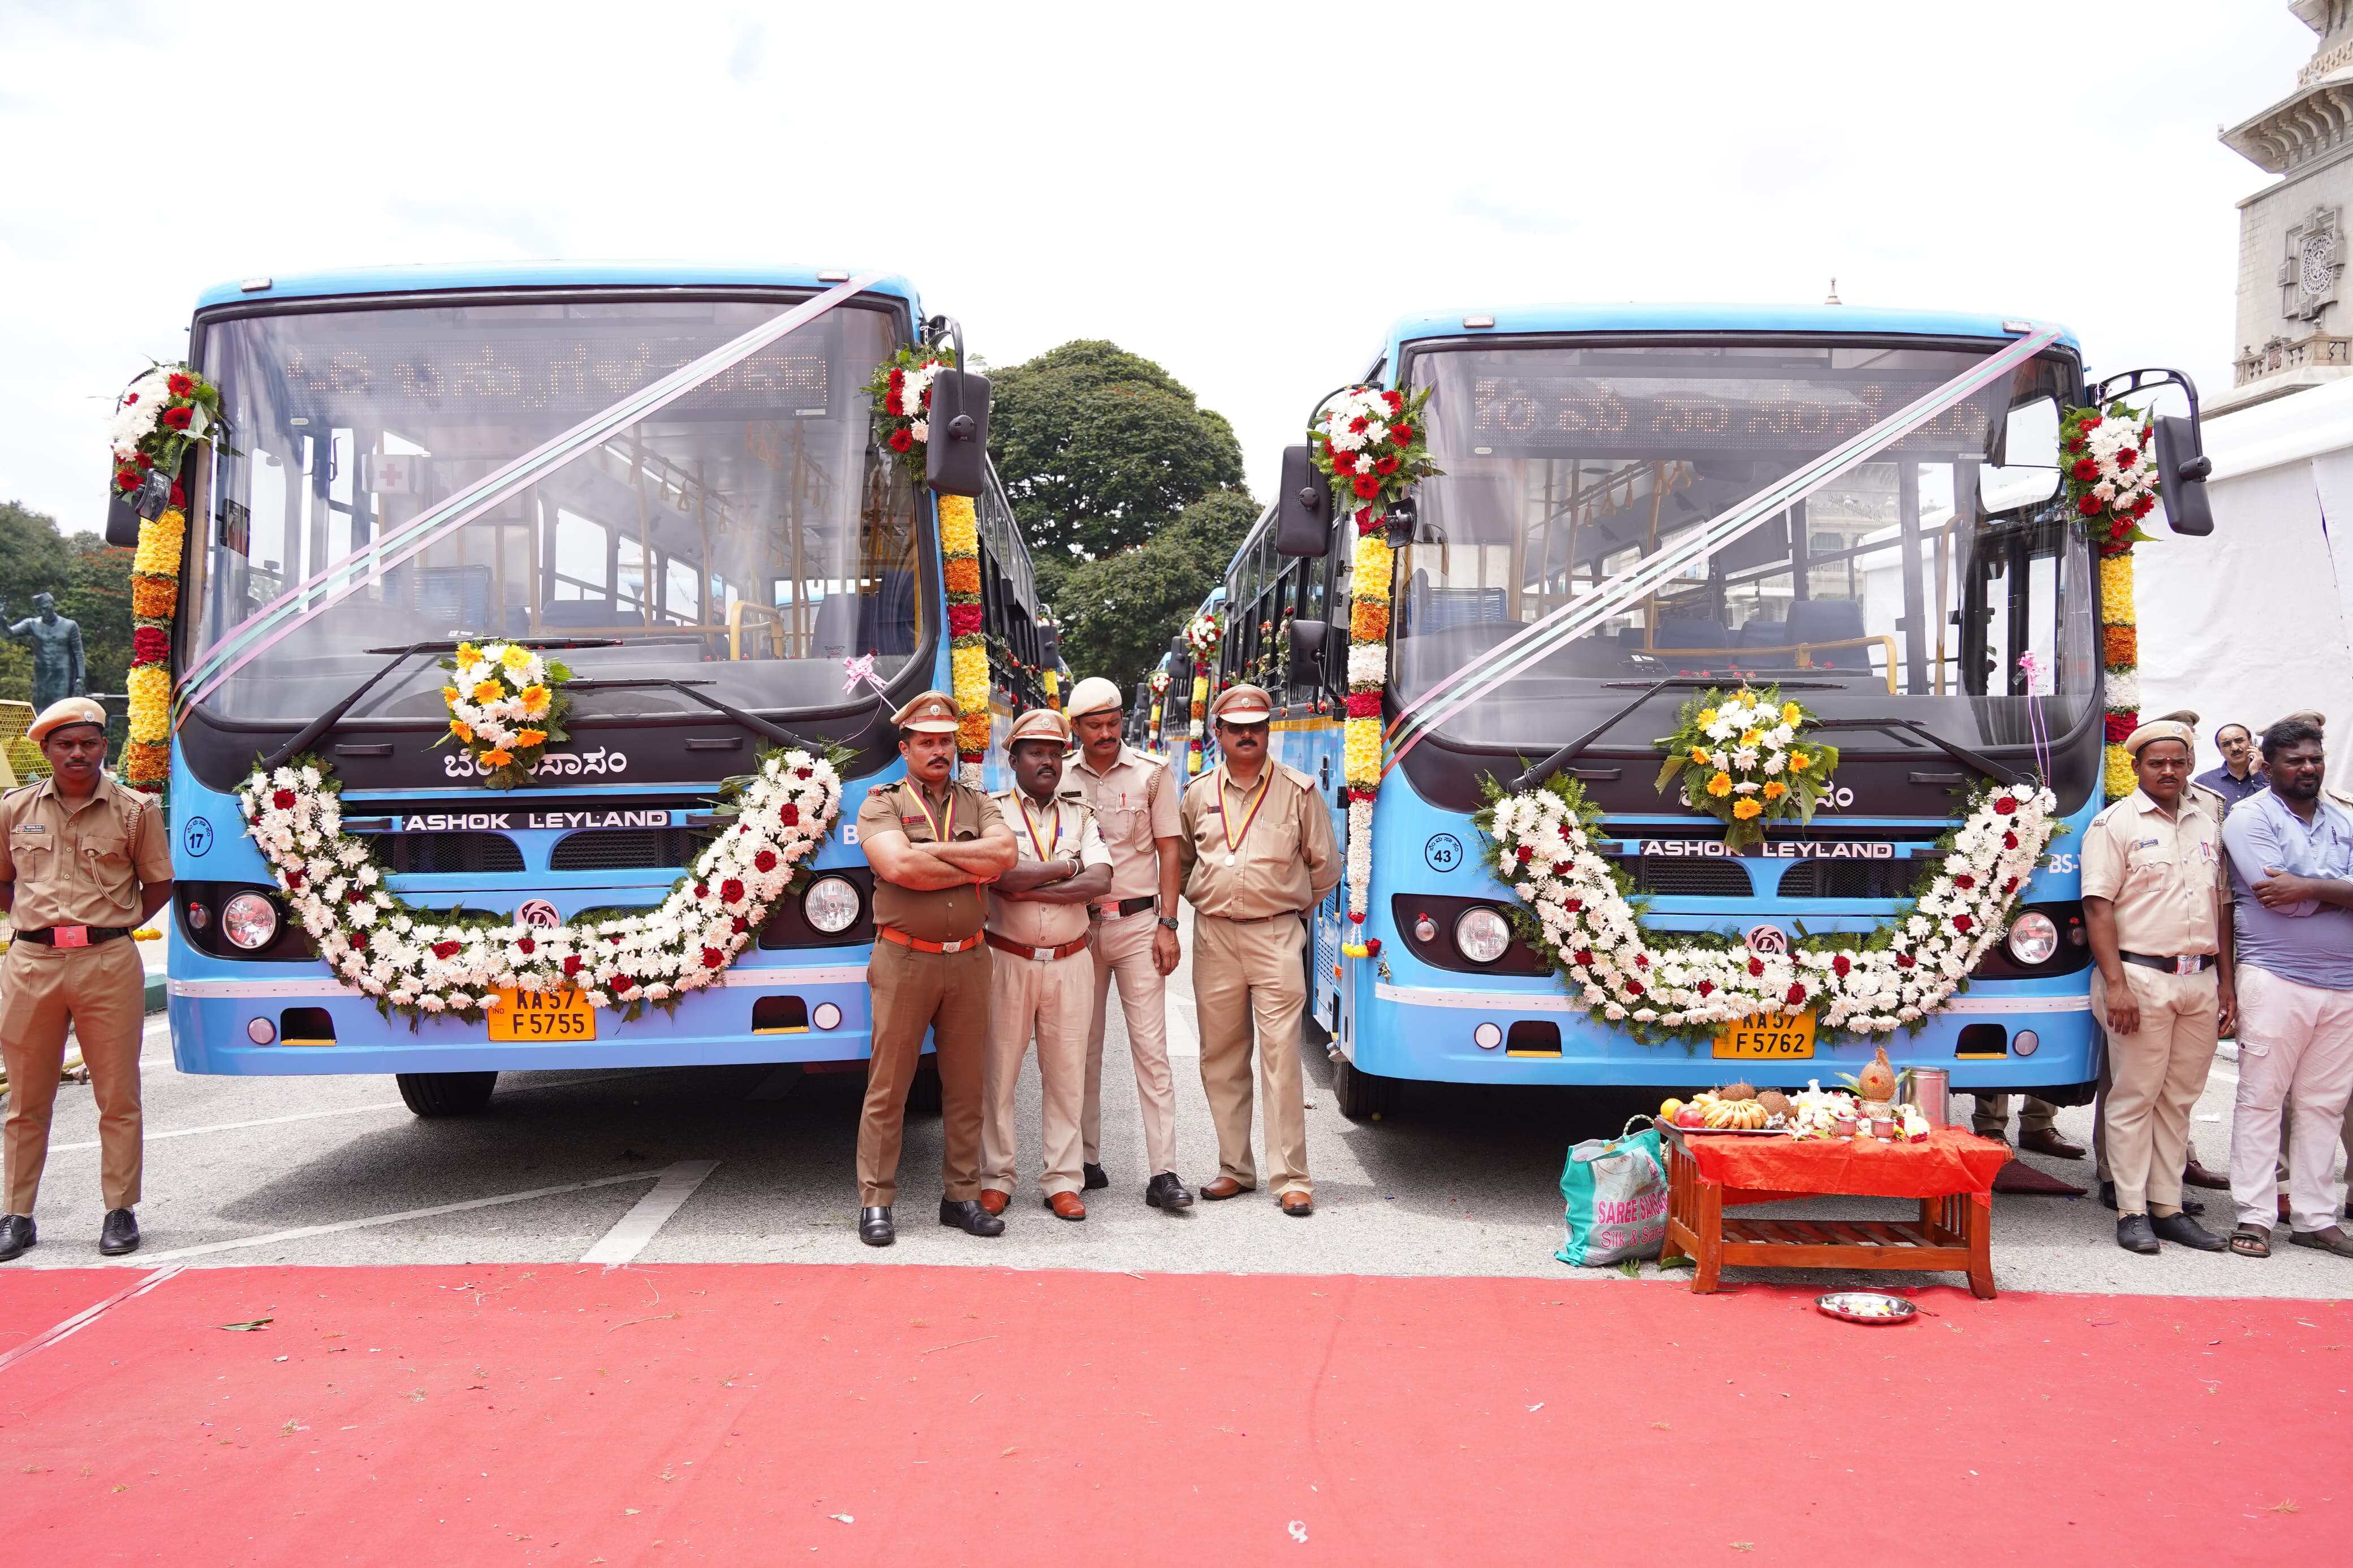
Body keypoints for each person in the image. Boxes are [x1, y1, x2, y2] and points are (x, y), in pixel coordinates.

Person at [0, 697, 174, 1263]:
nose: (77, 753)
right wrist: (38, 926)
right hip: (32, 963)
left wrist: (113, 925)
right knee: (26, 1098)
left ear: (104, 745)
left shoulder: (136, 810)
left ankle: (120, 1211)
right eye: (65, 744)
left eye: (88, 743)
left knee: (117, 1094)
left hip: (107, 962)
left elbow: (159, 883)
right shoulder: (14, 808)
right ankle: (17, 1215)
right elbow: (4, 880)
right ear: (47, 749)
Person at [852, 690, 1016, 1247]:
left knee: (967, 1086)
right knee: (889, 1086)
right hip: (904, 959)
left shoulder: (979, 803)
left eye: (946, 740)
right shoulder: (882, 804)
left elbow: (1005, 857)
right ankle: (876, 1200)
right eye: (926, 741)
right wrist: (971, 866)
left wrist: (931, 855)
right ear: (906, 749)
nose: (939, 750)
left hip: (969, 958)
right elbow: (899, 866)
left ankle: (961, 1196)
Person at [1179, 684, 1339, 1217]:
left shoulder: (1298, 791)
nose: (1247, 735)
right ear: (1219, 733)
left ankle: (1291, 1177)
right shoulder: (1197, 793)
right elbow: (1182, 864)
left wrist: (1288, 911)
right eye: (1237, 727)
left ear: (1268, 732)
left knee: (1281, 1057)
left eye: (1256, 727)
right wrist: (1212, 900)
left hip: (1275, 935)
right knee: (1220, 1056)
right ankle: (1234, 1167)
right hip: (1215, 936)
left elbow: (1325, 867)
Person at [2083, 717, 2234, 1255]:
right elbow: (2098, 908)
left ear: (2190, 764)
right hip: (2140, 978)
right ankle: (2131, 1210)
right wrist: (2116, 985)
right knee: (2134, 1096)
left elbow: (2222, 905)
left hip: (2200, 979)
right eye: (2156, 762)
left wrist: (2228, 985)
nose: (2168, 770)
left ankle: (2167, 1207)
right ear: (2136, 767)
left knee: (2178, 1100)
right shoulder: (2113, 824)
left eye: (2177, 761)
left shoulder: (2208, 820)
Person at [2218, 716, 2353, 1259]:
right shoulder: (2249, 817)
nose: (2308, 768)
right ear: (2268, 766)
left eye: (2315, 758)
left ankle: (2315, 1218)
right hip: (2275, 976)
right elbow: (2279, 898)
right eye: (2295, 760)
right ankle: (2254, 1216)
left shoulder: (2342, 819)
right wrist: (2338, 893)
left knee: (2325, 1103)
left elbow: (2297, 895)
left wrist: (2308, 886)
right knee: (2262, 1099)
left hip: (2343, 984)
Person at [1063, 675, 1193, 1212]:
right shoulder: (1061, 775)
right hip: (1080, 927)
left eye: (1113, 723)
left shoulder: (1152, 773)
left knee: (1151, 1050)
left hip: (1139, 926)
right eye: (1094, 726)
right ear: (1076, 728)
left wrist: (1169, 924)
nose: (1106, 733)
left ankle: (1163, 1171)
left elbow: (1170, 850)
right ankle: (1084, 1161)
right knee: (1081, 1047)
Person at [979, 708, 1111, 1221]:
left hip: (1070, 961)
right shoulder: (991, 813)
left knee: (1066, 1076)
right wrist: (1067, 870)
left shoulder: (1081, 814)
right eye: (1036, 752)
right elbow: (1001, 877)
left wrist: (1034, 880)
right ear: (1013, 759)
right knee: (998, 1075)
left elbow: (1100, 880)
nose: (1048, 762)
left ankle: (1062, 1180)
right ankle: (996, 1178)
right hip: (1007, 959)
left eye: (1056, 753)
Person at [2194, 723, 2267, 811]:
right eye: (2227, 744)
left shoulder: (2271, 775)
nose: (2235, 748)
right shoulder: (2204, 782)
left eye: (2239, 741)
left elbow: (2274, 806)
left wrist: (2256, 774)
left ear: (2251, 743)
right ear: (2220, 751)